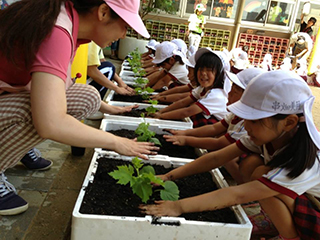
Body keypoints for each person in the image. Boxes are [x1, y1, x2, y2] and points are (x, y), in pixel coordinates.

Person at [0, 0, 159, 216]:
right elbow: (50, 123)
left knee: (87, 97)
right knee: (38, 112)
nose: (123, 35)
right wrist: (116, 142)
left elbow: (64, 85)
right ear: (103, 12)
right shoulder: (56, 31)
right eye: (124, 26)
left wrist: (110, 109)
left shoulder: (66, 24)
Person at [141, 70, 320, 240]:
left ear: (289, 122)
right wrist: (168, 175)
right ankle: (271, 221)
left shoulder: (301, 160)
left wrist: (178, 206)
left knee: (262, 180)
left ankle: (289, 237)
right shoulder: (275, 135)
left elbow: (237, 195)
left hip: (314, 216)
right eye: (246, 119)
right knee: (255, 169)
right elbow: (217, 157)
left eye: (255, 120)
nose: (247, 127)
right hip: (299, 198)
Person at [163, 68, 265, 184]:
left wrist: (186, 140)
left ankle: (244, 186)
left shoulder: (246, 124)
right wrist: (183, 133)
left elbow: (218, 144)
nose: (229, 93)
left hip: (250, 161)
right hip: (236, 148)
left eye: (235, 91)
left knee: (235, 158)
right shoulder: (236, 115)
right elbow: (215, 128)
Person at [154, 48, 229, 128]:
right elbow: (183, 102)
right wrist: (161, 112)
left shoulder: (216, 94)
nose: (203, 73)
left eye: (209, 70)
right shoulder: (202, 88)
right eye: (200, 69)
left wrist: (161, 116)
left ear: (219, 74)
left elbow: (187, 112)